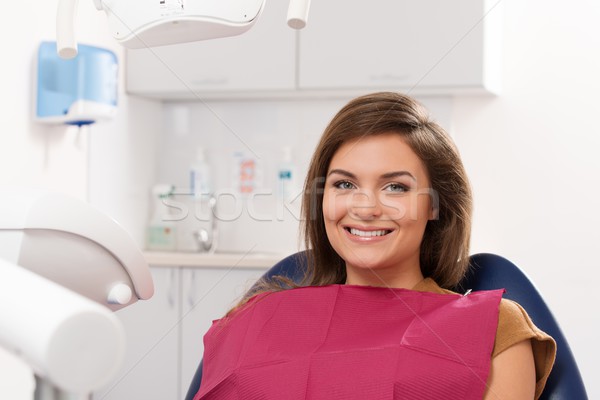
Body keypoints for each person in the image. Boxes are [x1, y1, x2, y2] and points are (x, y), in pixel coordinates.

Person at [192, 92, 556, 400]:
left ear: (434, 204)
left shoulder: (493, 328)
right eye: (344, 185)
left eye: (395, 187)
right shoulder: (257, 318)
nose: (365, 208)